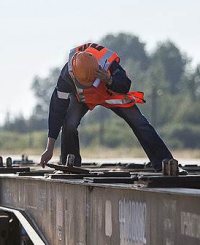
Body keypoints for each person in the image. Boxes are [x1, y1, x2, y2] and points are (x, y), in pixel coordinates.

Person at [39, 42, 174, 171]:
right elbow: (57, 111)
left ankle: (164, 161)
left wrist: (109, 80)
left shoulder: (109, 64)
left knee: (139, 122)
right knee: (69, 124)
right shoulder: (66, 76)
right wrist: (49, 148)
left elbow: (125, 86)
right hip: (83, 98)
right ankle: (70, 163)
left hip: (109, 92)